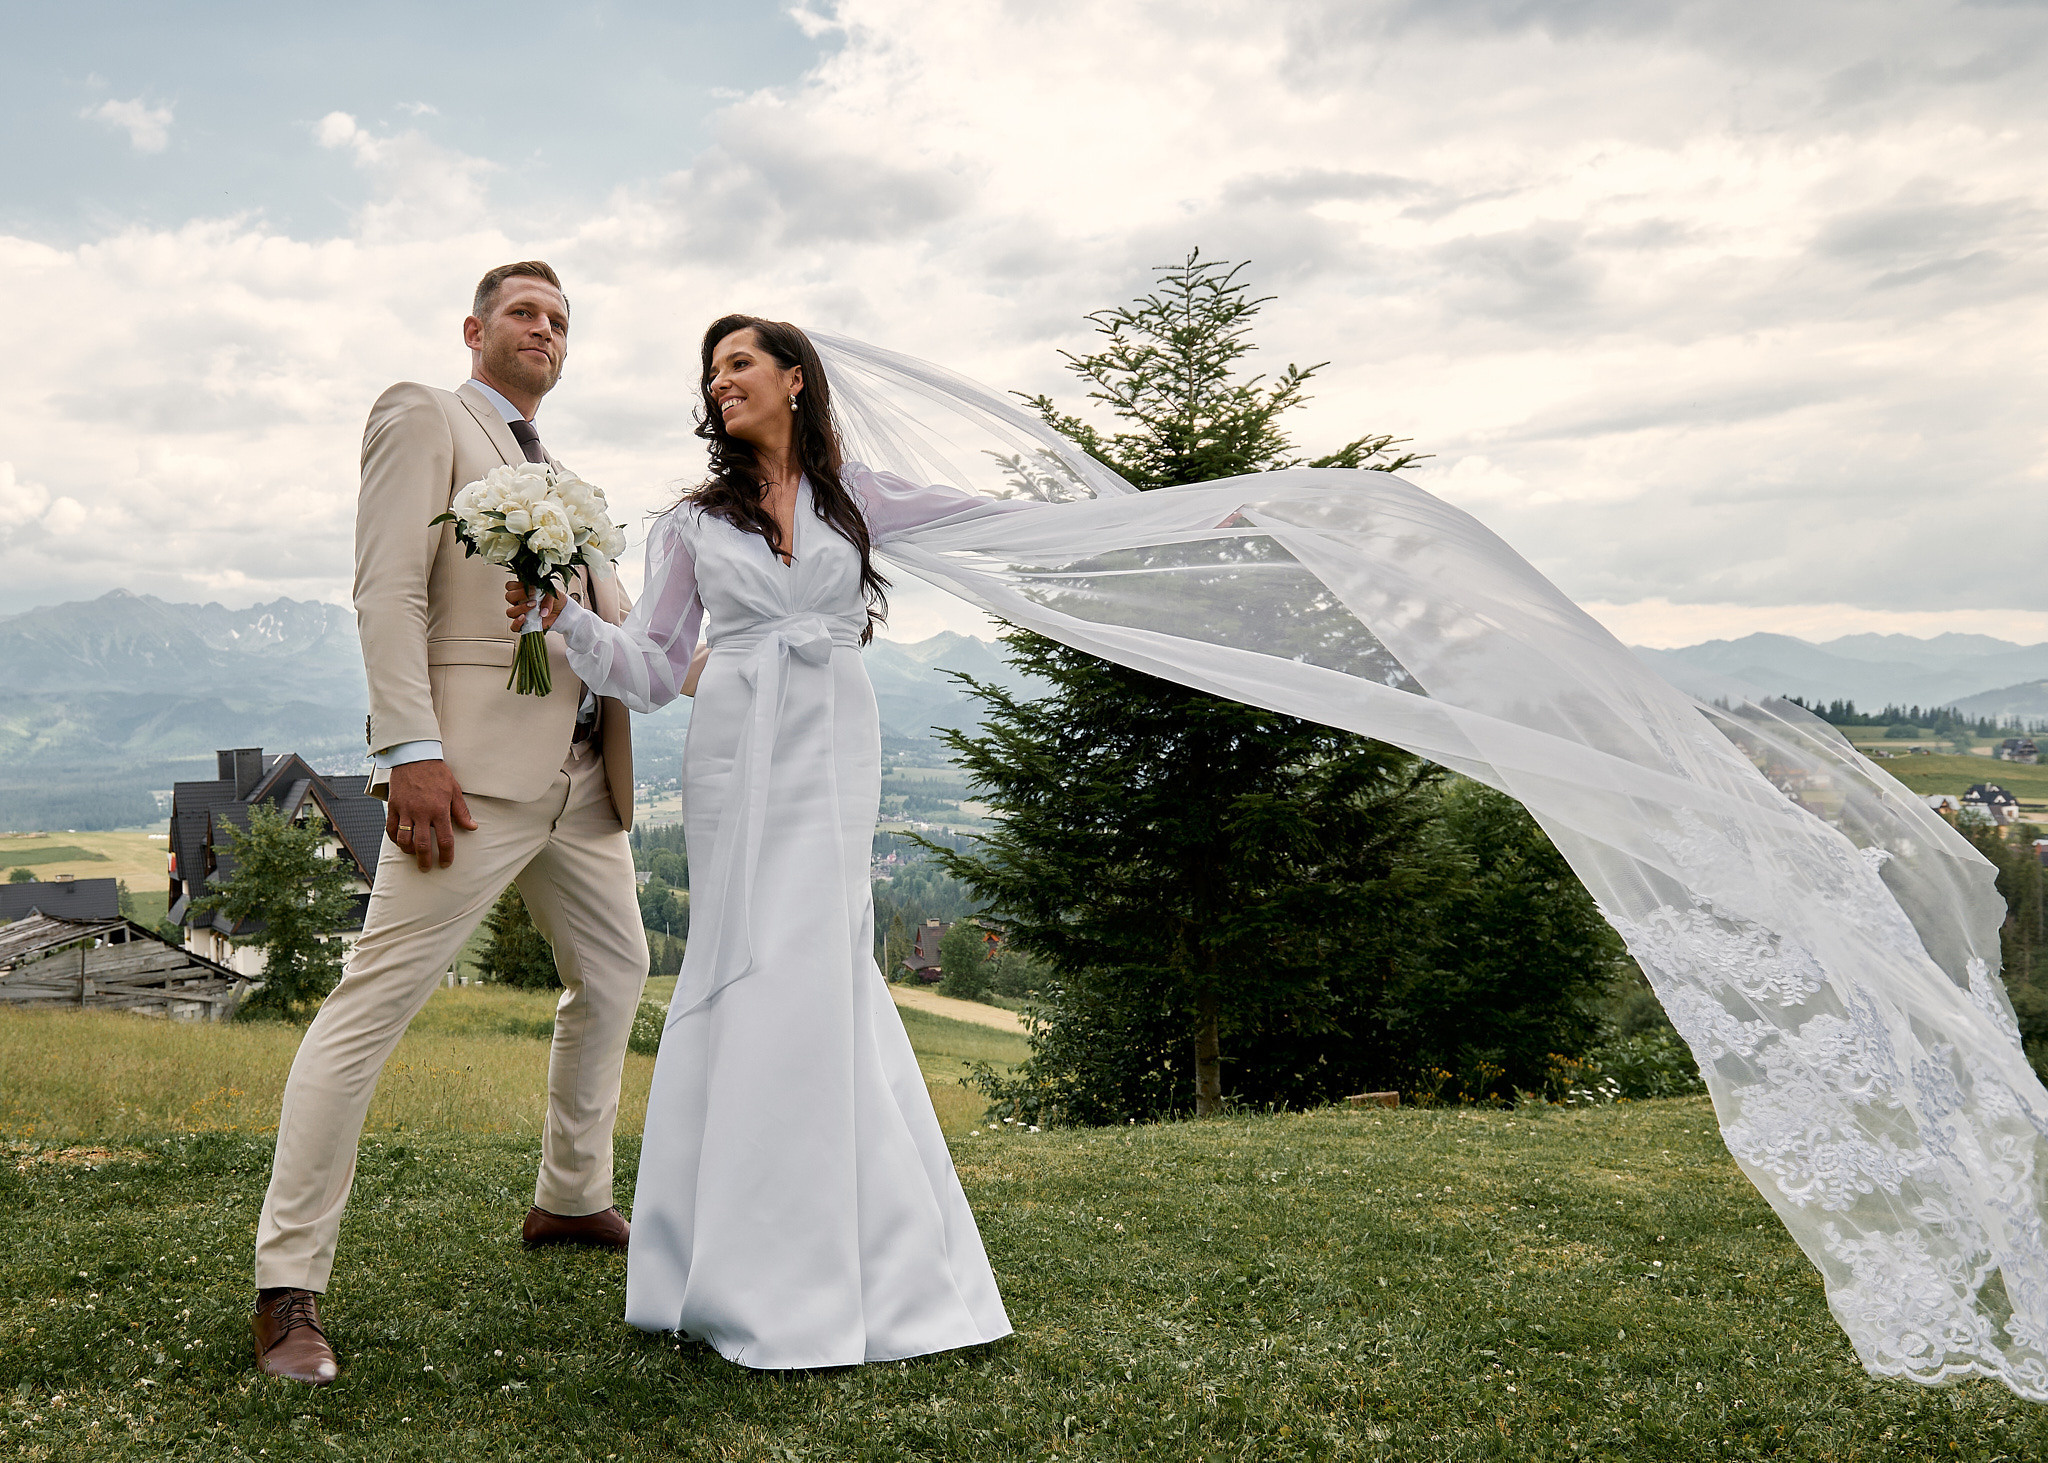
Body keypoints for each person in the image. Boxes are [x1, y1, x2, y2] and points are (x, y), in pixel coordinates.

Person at [510, 315, 1017, 1369]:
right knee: (748, 963)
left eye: (739, 361)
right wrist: (560, 613)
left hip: (836, 736)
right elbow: (650, 668)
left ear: (794, 379)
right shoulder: (691, 523)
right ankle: (734, 1260)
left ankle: (864, 1250)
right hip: (735, 747)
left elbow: (994, 521)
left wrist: (1148, 525)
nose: (720, 378)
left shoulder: (857, 495)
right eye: (712, 368)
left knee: (822, 961)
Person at [251, 261, 648, 1387]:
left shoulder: (565, 477)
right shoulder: (424, 414)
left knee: (616, 972)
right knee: (371, 1006)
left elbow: (615, 624)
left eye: (562, 320)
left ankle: (570, 1199)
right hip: (465, 779)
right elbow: (388, 588)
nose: (546, 330)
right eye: (525, 312)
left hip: (583, 780)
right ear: (475, 329)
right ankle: (287, 1285)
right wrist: (409, 749)